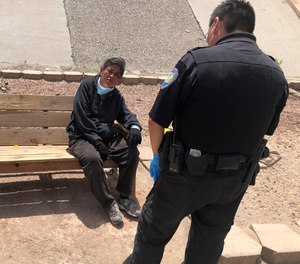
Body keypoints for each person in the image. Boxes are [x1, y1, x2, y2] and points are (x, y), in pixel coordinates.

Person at [124, 1, 289, 263]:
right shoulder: (277, 76)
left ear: (216, 24)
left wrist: (158, 157)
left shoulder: (196, 62)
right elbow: (266, 131)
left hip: (182, 178)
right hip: (232, 184)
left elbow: (156, 120)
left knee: (152, 238)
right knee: (206, 250)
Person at [66, 57, 142, 226]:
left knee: (131, 152)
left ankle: (124, 196)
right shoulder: (86, 86)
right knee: (92, 159)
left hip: (106, 139)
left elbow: (126, 115)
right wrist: (97, 141)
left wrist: (135, 127)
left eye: (117, 74)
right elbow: (81, 118)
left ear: (120, 80)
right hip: (82, 137)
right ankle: (108, 203)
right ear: (101, 70)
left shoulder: (115, 96)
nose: (111, 76)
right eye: (109, 71)